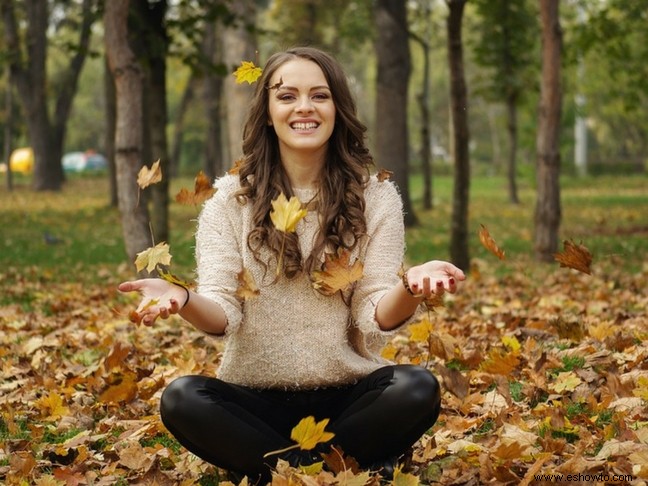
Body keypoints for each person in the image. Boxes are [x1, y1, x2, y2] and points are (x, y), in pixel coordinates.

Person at [119, 46, 465, 483]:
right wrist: (184, 298)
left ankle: (280, 472)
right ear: (267, 111)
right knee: (182, 398)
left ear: (337, 107)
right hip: (256, 407)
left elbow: (374, 311)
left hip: (349, 400)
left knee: (417, 388)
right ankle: (330, 471)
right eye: (287, 96)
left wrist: (410, 287)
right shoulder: (229, 201)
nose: (304, 107)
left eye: (319, 95)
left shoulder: (375, 197)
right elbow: (222, 314)